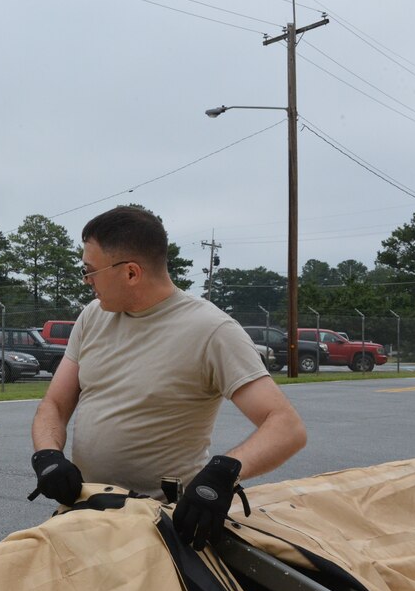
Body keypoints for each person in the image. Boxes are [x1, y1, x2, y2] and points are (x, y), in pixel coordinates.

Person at [30, 205, 306, 550]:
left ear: (131, 273)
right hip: (86, 510)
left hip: (160, 526)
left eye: (91, 272)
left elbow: (285, 426)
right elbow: (55, 403)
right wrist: (48, 456)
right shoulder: (92, 318)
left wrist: (224, 472)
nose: (87, 282)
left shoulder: (211, 330)